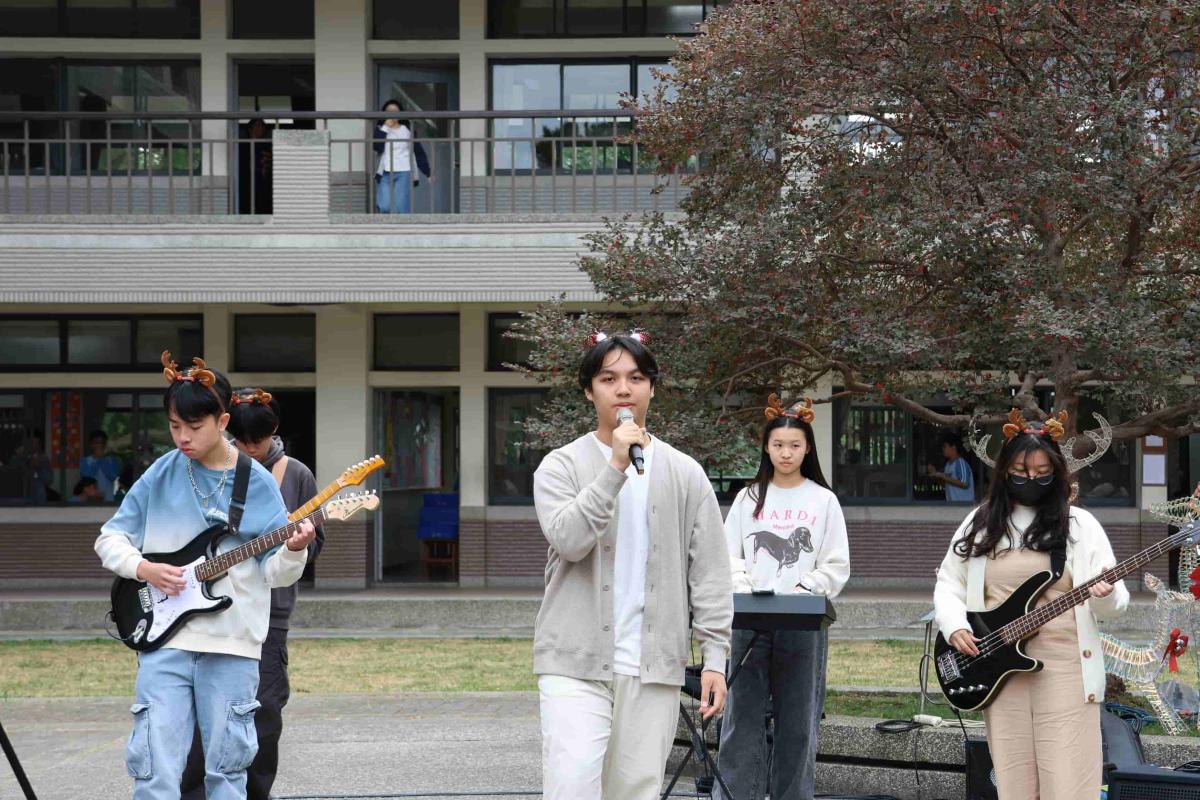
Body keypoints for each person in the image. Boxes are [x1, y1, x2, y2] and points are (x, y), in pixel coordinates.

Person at [94, 353, 315, 800]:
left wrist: (295, 549)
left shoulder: (256, 482)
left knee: (227, 774)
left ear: (223, 421)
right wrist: (143, 568)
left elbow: (274, 572)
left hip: (232, 644)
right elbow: (111, 537)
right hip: (164, 641)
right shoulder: (161, 472)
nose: (183, 437)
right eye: (175, 425)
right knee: (153, 771)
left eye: (194, 426)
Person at [532, 329, 732, 800]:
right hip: (575, 661)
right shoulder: (561, 466)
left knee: (635, 792)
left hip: (653, 665)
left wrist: (715, 658)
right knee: (571, 786)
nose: (623, 389)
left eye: (636, 378)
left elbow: (710, 573)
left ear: (652, 388)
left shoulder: (684, 473)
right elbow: (570, 541)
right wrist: (615, 469)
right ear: (589, 390)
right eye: (608, 378)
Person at [933, 409, 1129, 800]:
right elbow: (949, 581)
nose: (1031, 479)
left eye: (1042, 472)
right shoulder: (981, 523)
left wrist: (1105, 595)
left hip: (1066, 671)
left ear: (1057, 473)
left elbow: (1116, 604)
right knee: (1014, 782)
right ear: (1004, 472)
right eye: (1021, 472)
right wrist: (954, 626)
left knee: (1068, 781)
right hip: (999, 670)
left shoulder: (1079, 525)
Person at [180, 388, 324, 800]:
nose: (249, 449)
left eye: (256, 441)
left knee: (264, 713)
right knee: (199, 716)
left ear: (273, 431)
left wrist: (296, 543)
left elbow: (315, 547)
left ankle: (255, 793)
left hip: (268, 615)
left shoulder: (296, 475)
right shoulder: (206, 469)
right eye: (240, 441)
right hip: (204, 612)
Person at [716, 394, 850, 800]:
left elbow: (836, 564)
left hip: (802, 623)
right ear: (766, 447)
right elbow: (728, 556)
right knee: (741, 718)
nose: (786, 453)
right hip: (750, 619)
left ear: (807, 448)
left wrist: (805, 589)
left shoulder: (823, 500)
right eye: (778, 445)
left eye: (794, 445)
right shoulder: (748, 498)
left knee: (798, 721)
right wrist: (744, 588)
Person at [373, 99, 431, 214]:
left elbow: (418, 151)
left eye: (395, 111)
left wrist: (427, 172)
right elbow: (377, 147)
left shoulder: (407, 130)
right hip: (385, 171)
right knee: (384, 205)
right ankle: (387, 225)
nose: (392, 114)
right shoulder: (380, 129)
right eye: (389, 111)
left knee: (401, 206)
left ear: (400, 114)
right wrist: (385, 127)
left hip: (403, 171)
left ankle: (403, 225)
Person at [927, 433, 975, 502]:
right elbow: (945, 485)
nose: (943, 449)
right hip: (953, 505)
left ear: (953, 447)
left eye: (945, 446)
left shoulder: (961, 463)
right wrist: (936, 475)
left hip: (964, 506)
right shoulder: (948, 465)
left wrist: (942, 476)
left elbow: (964, 484)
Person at [80, 429, 122, 501]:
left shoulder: (111, 460)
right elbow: (87, 478)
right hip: (90, 500)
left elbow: (113, 477)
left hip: (108, 499)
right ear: (91, 444)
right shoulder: (85, 461)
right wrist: (97, 459)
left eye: (101, 443)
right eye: (96, 443)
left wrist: (102, 459)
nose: (99, 445)